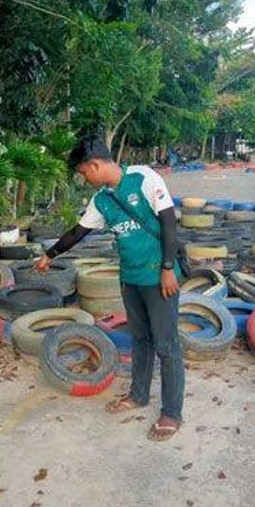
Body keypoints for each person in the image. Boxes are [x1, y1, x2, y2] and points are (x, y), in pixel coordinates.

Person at [35, 134, 184, 442]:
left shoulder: (143, 178)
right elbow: (79, 232)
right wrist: (49, 255)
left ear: (94, 164)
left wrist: (169, 268)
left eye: (82, 172)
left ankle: (171, 412)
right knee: (140, 339)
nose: (83, 178)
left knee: (166, 346)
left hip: (159, 278)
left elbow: (169, 222)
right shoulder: (102, 199)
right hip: (130, 279)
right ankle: (138, 395)